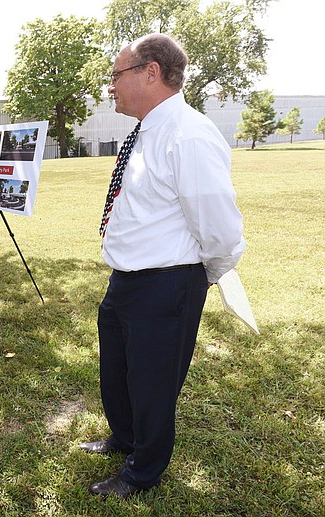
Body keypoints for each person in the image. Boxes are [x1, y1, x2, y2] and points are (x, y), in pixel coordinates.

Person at [80, 33, 245, 499]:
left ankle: (142, 471)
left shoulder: (187, 133)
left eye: (117, 75)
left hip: (166, 282)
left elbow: (218, 225)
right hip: (127, 279)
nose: (110, 86)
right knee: (118, 371)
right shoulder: (150, 128)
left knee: (152, 383)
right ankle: (125, 439)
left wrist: (203, 278)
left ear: (150, 73)